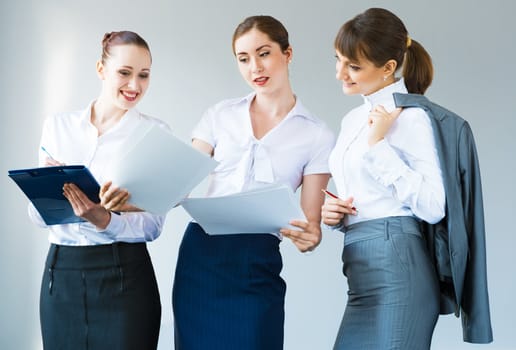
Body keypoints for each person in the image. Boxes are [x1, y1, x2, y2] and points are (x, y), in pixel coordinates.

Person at [172, 15, 335, 350]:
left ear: (287, 54)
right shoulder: (219, 115)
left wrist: (309, 237)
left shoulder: (317, 134)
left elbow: (310, 225)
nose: (254, 68)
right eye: (243, 59)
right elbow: (179, 182)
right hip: (201, 256)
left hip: (256, 260)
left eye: (264, 53)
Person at [29, 31, 166, 350]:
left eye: (144, 75)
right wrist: (44, 193)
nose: (135, 86)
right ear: (101, 70)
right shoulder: (57, 127)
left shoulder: (154, 134)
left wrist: (105, 219)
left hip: (126, 276)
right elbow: (38, 217)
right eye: (125, 72)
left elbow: (154, 225)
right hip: (60, 275)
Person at [321, 8, 446, 349]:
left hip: (398, 271)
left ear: (389, 68)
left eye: (354, 66)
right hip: (358, 271)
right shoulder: (351, 121)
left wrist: (378, 146)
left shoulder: (412, 117)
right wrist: (335, 217)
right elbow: (367, 197)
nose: (340, 74)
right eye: (338, 60)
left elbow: (434, 207)